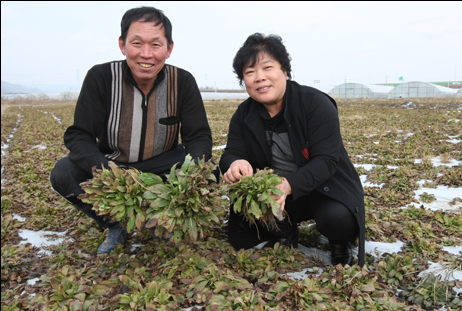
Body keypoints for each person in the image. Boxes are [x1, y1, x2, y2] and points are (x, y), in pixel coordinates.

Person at [50, 7, 214, 255]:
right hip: (116, 166)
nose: (146, 54)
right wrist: (108, 172)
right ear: (122, 44)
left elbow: (198, 136)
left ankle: (162, 220)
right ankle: (115, 222)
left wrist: (192, 175)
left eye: (156, 45)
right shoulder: (101, 77)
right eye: (137, 43)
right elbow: (79, 135)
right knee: (63, 172)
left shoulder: (183, 81)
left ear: (169, 49)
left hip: (164, 168)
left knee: (210, 172)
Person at [219, 33, 366, 267]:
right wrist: (235, 163)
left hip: (324, 188)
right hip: (277, 193)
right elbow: (230, 153)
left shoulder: (315, 103)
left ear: (285, 71)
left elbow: (327, 160)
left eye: (267, 67)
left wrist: (289, 184)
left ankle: (340, 242)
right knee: (243, 227)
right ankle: (284, 231)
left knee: (337, 218)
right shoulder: (243, 115)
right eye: (250, 72)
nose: (259, 77)